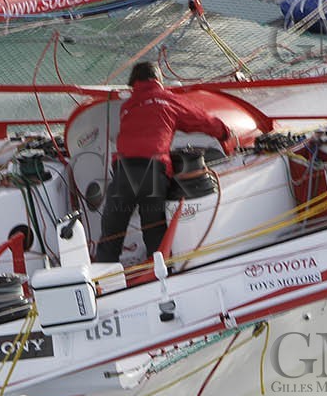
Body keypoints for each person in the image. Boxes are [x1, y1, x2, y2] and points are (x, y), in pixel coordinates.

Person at [96, 62, 234, 264]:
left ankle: (102, 288)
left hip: (123, 173)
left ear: (133, 83)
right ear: (158, 80)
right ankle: (160, 280)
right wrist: (224, 132)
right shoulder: (167, 100)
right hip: (152, 172)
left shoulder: (127, 106)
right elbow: (200, 119)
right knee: (155, 235)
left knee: (111, 238)